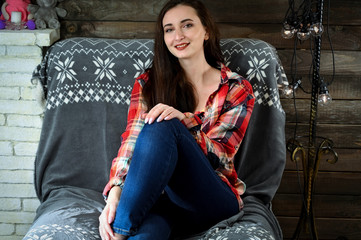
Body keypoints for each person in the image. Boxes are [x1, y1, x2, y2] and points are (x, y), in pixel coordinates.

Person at [98, 0, 255, 239]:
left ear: (206, 31)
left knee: (163, 123)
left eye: (187, 25)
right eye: (169, 29)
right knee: (146, 235)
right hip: (161, 198)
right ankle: (125, 228)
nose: (178, 36)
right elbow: (130, 142)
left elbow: (222, 155)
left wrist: (184, 123)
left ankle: (119, 232)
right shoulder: (148, 83)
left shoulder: (236, 88)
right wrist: (115, 193)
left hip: (211, 198)